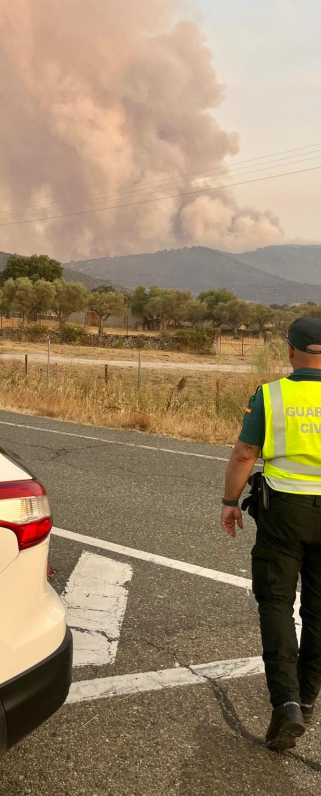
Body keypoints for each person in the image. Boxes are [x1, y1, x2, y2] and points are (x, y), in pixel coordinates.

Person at [221, 316, 321, 751]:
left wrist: (230, 501)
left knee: (277, 603)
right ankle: (309, 698)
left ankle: (287, 704)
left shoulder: (272, 395)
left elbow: (245, 453)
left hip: (284, 513)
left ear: (290, 350)